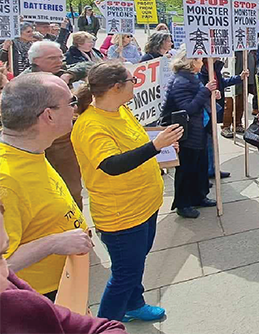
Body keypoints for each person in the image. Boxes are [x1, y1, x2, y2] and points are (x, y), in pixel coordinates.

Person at [72, 62, 183, 322]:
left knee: (135, 266)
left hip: (145, 205)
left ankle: (134, 304)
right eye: (133, 79)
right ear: (116, 87)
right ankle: (105, 324)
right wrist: (156, 146)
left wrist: (163, 150)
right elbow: (111, 165)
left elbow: (137, 145)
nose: (137, 83)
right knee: (124, 275)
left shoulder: (121, 110)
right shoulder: (91, 125)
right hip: (121, 214)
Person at [0, 73, 91, 300]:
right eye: (71, 102)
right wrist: (53, 243)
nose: (76, 108)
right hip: (37, 298)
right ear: (48, 116)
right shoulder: (6, 181)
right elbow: (4, 264)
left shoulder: (32, 149)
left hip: (64, 283)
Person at [0, 198, 127, 333]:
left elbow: (104, 328)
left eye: (2, 254)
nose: (4, 276)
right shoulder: (15, 304)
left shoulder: (13, 294)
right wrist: (52, 244)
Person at [23, 41, 84, 209]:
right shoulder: (25, 84)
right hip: (42, 143)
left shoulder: (61, 73)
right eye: (52, 58)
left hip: (65, 142)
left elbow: (88, 65)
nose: (59, 61)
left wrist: (69, 75)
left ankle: (75, 224)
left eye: (60, 57)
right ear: (36, 61)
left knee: (72, 190)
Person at [161, 49, 219, 219]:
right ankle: (183, 204)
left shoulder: (190, 77)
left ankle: (198, 196)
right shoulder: (181, 81)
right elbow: (187, 108)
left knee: (198, 167)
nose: (203, 62)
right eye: (200, 59)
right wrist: (205, 91)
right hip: (187, 133)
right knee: (186, 169)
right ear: (192, 61)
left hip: (198, 129)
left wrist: (210, 94)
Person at [199, 58, 248, 179]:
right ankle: (206, 171)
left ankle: (212, 169)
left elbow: (221, 83)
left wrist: (239, 78)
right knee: (206, 141)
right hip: (204, 111)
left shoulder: (215, 67)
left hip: (213, 108)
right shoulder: (200, 70)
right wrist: (208, 92)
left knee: (211, 141)